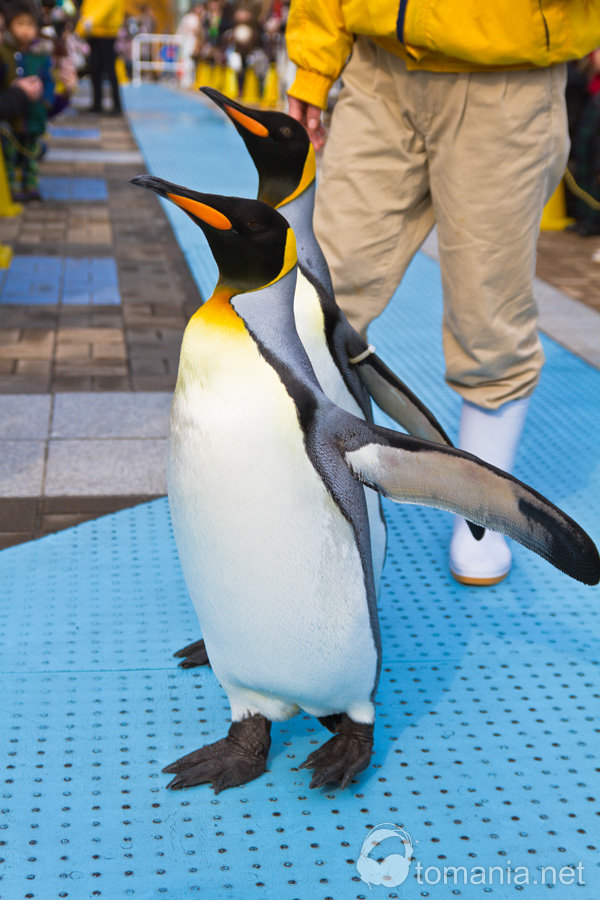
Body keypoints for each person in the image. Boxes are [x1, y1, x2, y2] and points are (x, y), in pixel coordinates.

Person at [285, 2, 600, 586]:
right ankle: (322, 491)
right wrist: (313, 63)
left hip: (509, 75)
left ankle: (483, 517)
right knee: (318, 300)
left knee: (489, 314)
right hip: (379, 67)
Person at [0, 0, 55, 202]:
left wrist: (48, 102)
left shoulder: (41, 53)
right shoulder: (5, 52)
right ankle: (12, 187)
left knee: (31, 153)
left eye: (30, 25)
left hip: (34, 115)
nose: (25, 30)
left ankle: (30, 184)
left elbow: (49, 81)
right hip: (13, 118)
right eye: (20, 24)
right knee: (10, 154)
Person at [76, 0, 124, 114]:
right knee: (94, 69)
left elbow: (105, 8)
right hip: (93, 32)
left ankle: (117, 105)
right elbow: (87, 9)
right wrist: (81, 28)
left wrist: (88, 23)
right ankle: (97, 104)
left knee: (109, 69)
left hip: (107, 33)